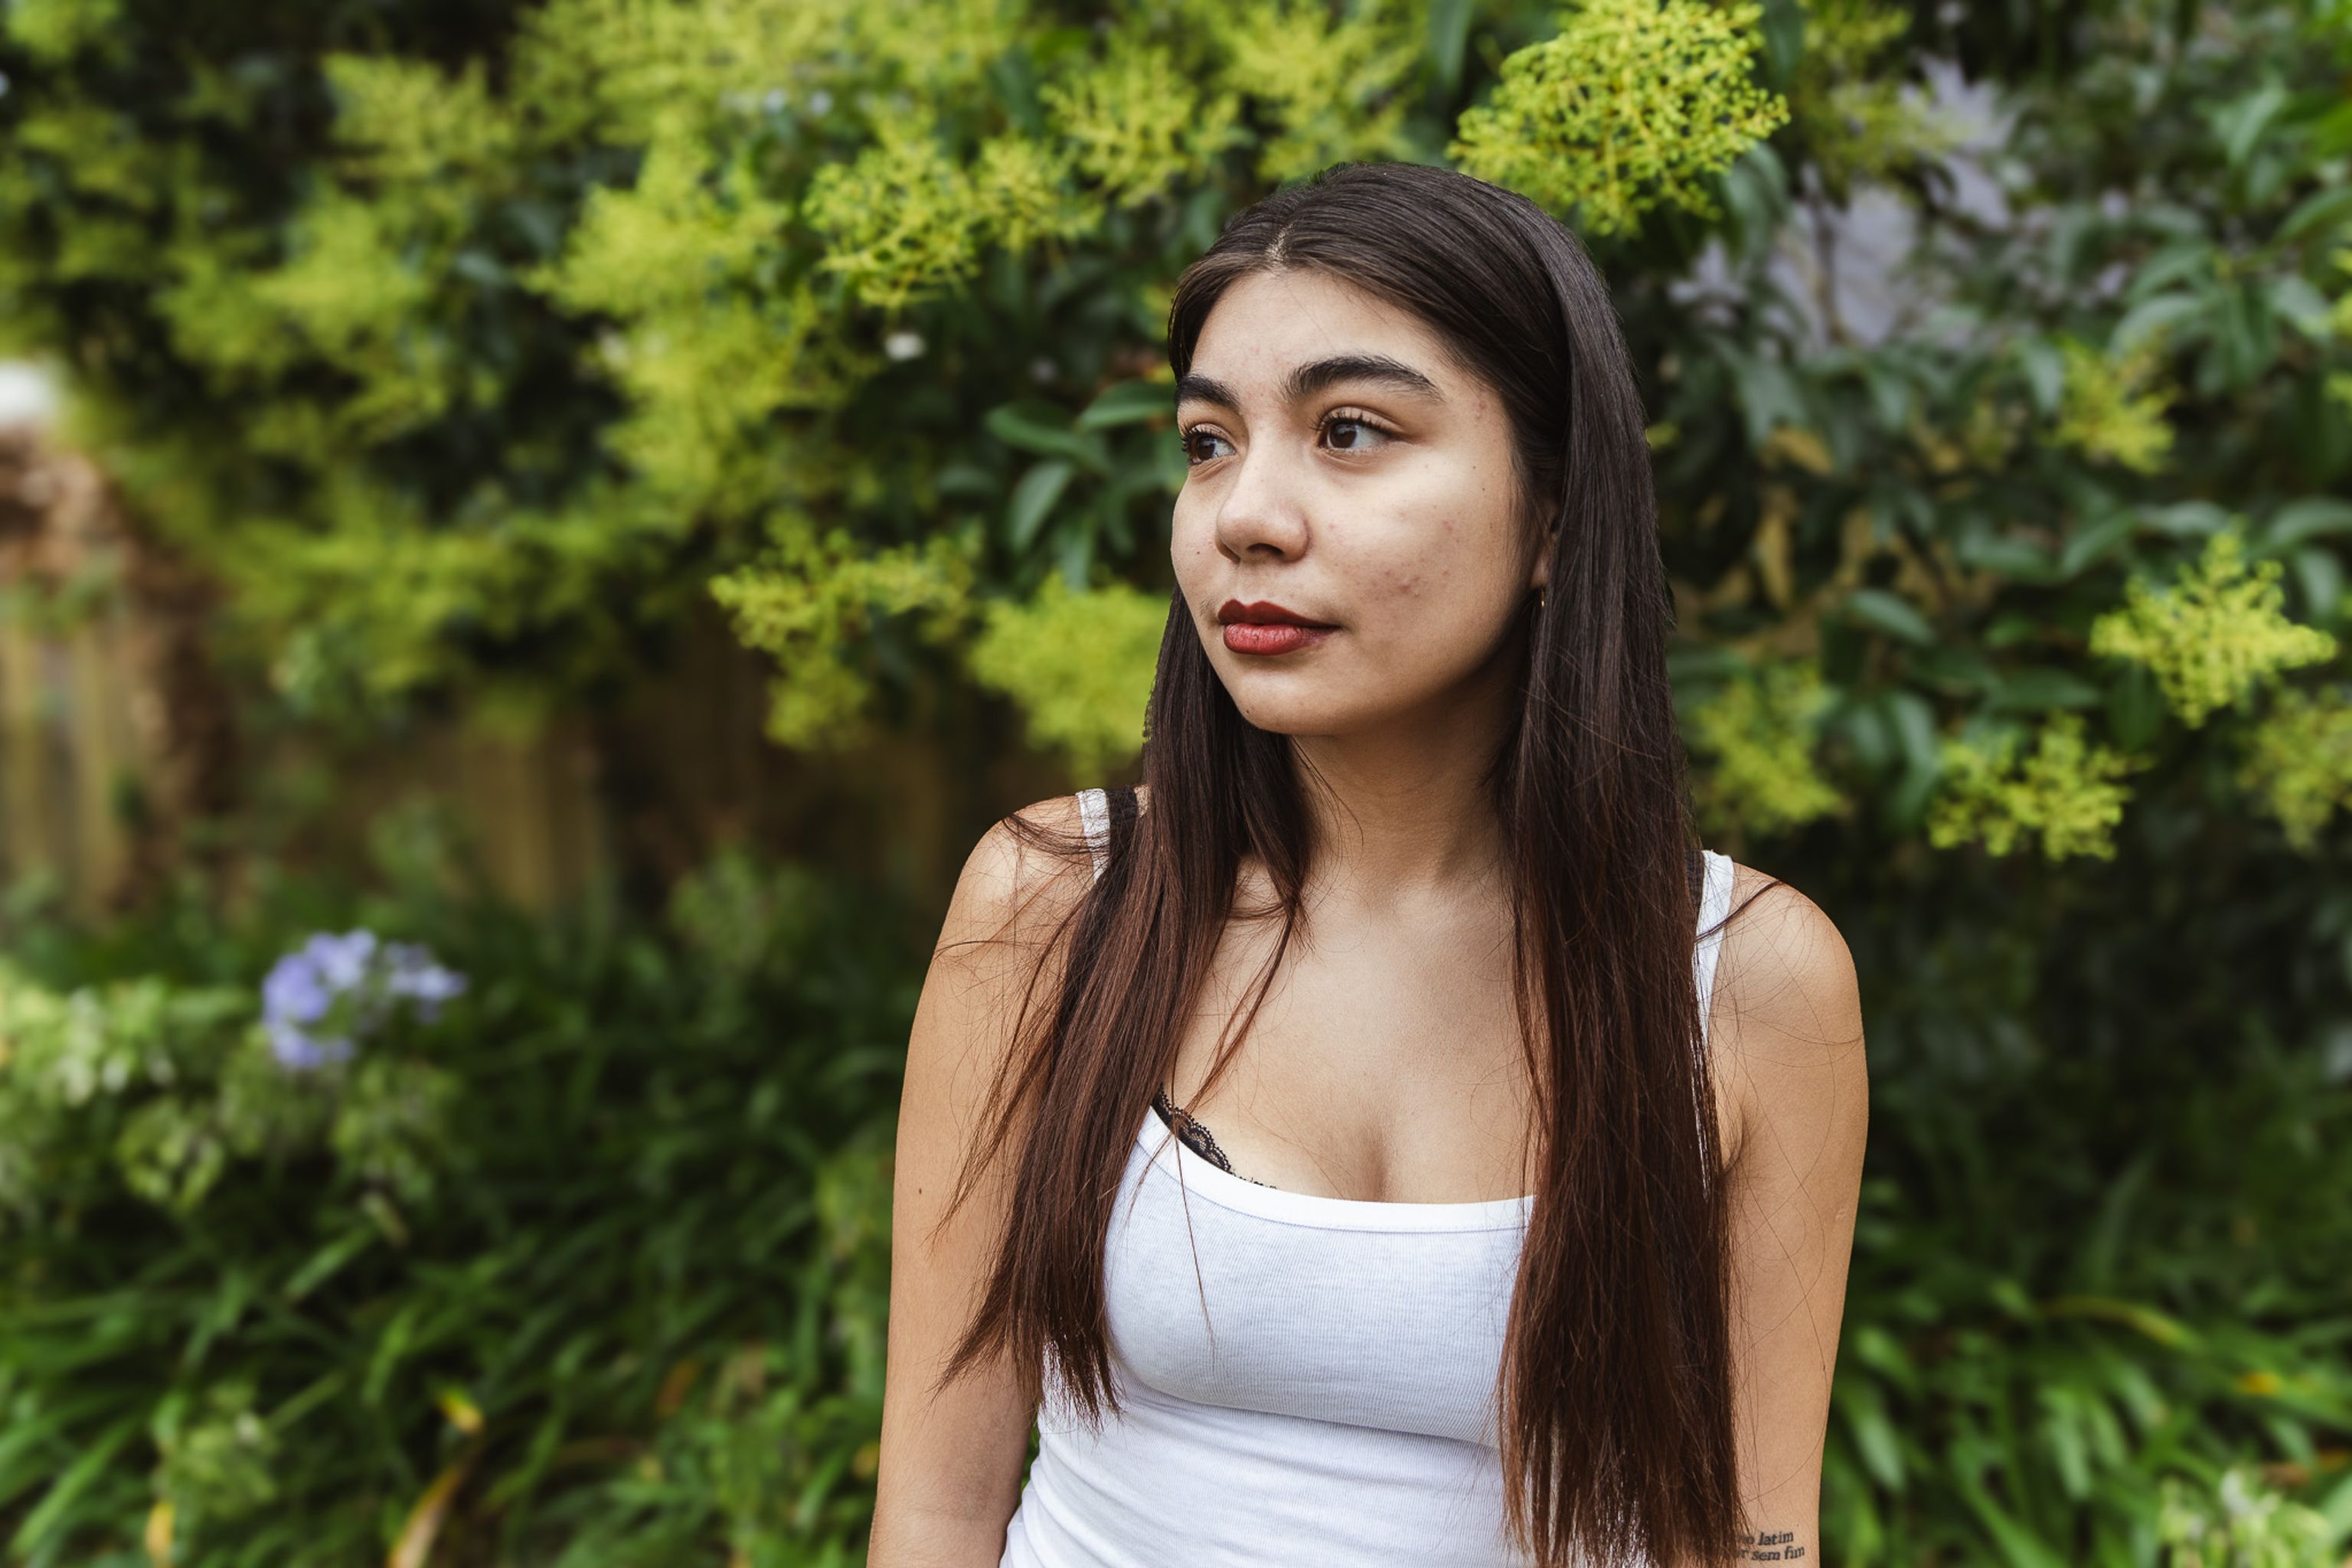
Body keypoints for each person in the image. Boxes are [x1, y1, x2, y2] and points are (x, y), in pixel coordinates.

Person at [871, 160, 1868, 1568]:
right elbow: (936, 1511)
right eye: (1207, 443)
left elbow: (1753, 1534)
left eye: (1348, 431)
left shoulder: (1743, 979)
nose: (1245, 517)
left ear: (1559, 515)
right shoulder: (1058, 907)